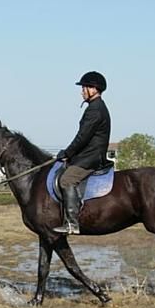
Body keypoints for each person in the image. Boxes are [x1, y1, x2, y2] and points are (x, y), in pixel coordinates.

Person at [53, 71, 111, 234]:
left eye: (84, 87)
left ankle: (72, 223)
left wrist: (67, 153)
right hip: (89, 155)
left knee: (66, 180)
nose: (82, 91)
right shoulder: (97, 107)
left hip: (90, 158)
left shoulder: (95, 110)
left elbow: (82, 137)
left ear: (94, 89)